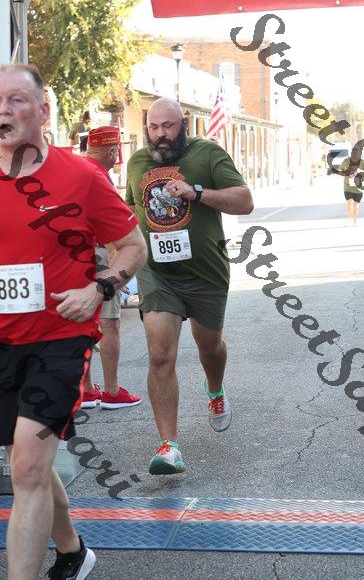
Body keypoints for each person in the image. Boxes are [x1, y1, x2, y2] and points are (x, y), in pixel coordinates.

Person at [0, 64, 147, 580]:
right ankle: (73, 551)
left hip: (60, 338)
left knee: (27, 466)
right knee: (28, 462)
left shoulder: (81, 177)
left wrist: (99, 288)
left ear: (43, 112)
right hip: (3, 341)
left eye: (16, 100)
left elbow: (133, 246)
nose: (3, 110)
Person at [125, 97, 253, 475]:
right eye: (153, 127)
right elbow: (129, 209)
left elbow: (244, 201)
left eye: (168, 126)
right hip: (158, 274)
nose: (160, 134)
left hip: (205, 272)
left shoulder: (207, 154)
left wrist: (197, 192)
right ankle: (169, 447)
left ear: (183, 124)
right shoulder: (137, 162)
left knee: (209, 348)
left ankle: (215, 390)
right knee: (160, 355)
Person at [80, 126, 142, 409]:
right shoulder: (99, 177)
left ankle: (87, 389)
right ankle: (111, 391)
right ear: (111, 151)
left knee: (83, 322)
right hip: (98, 253)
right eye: (116, 150)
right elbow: (118, 230)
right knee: (109, 322)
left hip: (74, 255)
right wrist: (120, 268)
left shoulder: (76, 170)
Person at [339, 144, 364, 226]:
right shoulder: (346, 161)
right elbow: (340, 170)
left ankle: (355, 220)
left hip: (358, 187)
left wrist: (359, 172)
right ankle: (348, 219)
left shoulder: (362, 162)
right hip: (348, 186)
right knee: (349, 202)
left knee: (356, 205)